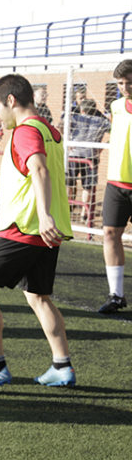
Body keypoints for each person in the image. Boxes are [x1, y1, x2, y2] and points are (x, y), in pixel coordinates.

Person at [0, 73, 74, 393]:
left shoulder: (25, 131)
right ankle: (61, 366)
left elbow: (38, 168)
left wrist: (44, 215)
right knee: (38, 297)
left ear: (11, 100)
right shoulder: (50, 131)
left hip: (21, 227)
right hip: (45, 231)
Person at [99, 59, 132, 314]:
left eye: (129, 82)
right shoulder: (116, 106)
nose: (125, 87)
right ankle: (116, 295)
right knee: (110, 235)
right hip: (115, 182)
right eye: (120, 83)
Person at [65, 98, 109, 222]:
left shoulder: (76, 117)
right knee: (87, 186)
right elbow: (114, 131)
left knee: (70, 183)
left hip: (75, 155)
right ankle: (84, 213)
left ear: (82, 110)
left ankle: (69, 210)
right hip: (90, 155)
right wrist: (101, 148)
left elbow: (61, 126)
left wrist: (67, 140)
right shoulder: (102, 120)